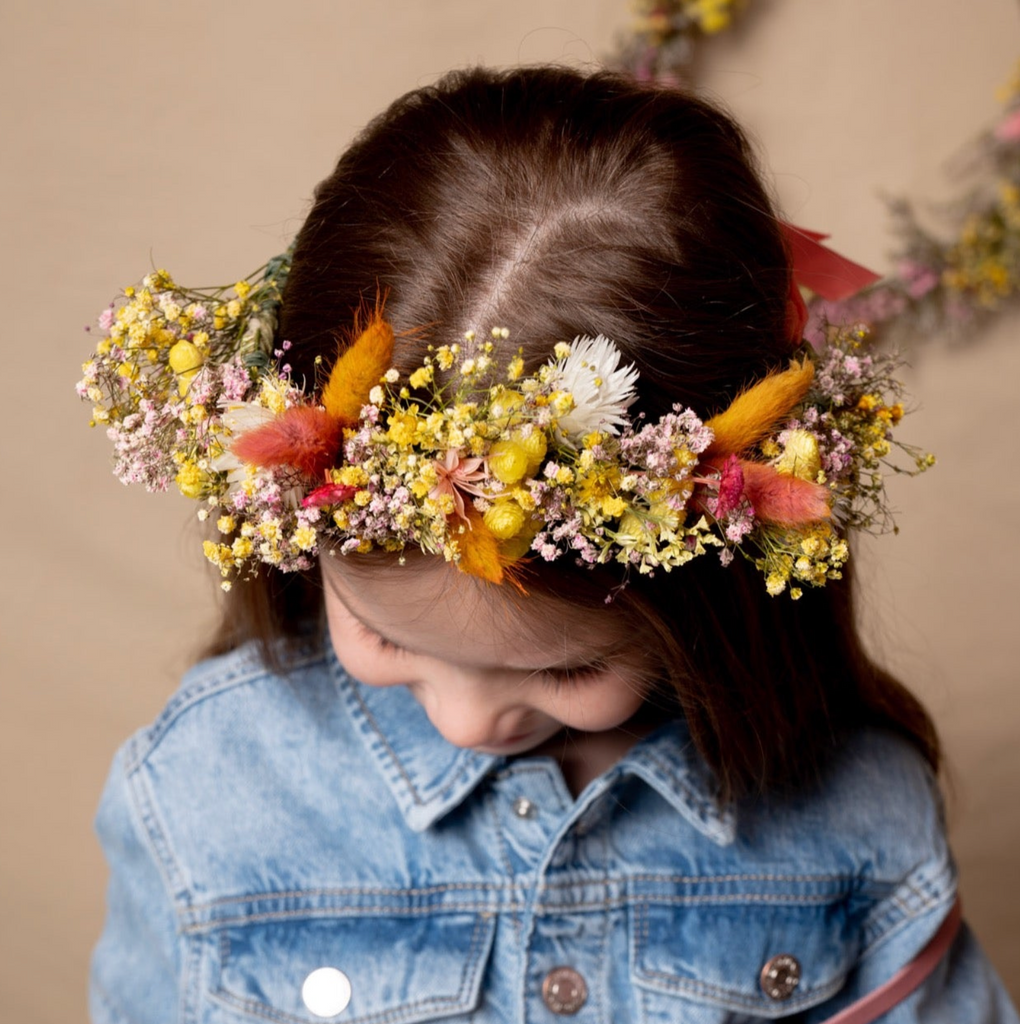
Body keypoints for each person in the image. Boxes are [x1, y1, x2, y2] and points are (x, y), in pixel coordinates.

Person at [83, 66, 1018, 1022]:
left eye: (568, 672)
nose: (466, 722)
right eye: (387, 634)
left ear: (711, 592)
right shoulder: (204, 791)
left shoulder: (854, 812)